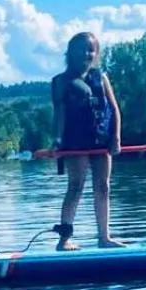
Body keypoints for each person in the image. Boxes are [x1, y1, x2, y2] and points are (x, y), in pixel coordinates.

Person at [50, 31, 124, 250]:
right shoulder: (61, 81)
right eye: (82, 49)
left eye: (91, 50)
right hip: (76, 142)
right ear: (70, 53)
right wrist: (57, 140)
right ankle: (64, 239)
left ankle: (104, 237)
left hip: (101, 141)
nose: (87, 54)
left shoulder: (101, 77)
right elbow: (59, 113)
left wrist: (116, 137)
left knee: (103, 186)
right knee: (75, 186)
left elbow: (114, 109)